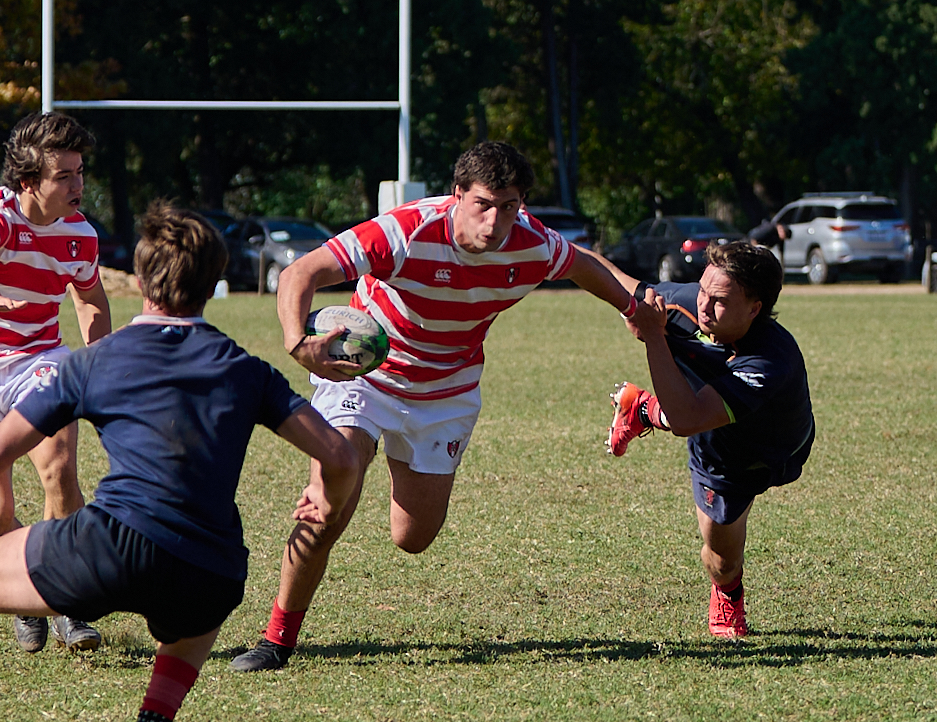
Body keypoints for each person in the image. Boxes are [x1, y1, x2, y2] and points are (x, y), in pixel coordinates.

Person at [0, 202, 357, 722]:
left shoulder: (94, 362)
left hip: (113, 546)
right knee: (196, 614)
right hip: (212, 567)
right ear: (213, 284)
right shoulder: (248, 370)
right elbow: (340, 453)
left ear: (142, 281)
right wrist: (326, 493)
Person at [230, 140, 641, 671]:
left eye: (511, 206)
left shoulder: (531, 243)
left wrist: (631, 303)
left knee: (414, 537)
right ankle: (277, 639)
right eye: (484, 204)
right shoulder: (404, 231)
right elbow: (298, 273)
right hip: (367, 376)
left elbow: (582, 264)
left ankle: (346, 475)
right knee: (332, 501)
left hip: (446, 393)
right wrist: (296, 340)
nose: (496, 221)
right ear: (457, 196)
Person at [0, 111, 112, 652]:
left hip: (39, 358)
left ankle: (70, 601)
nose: (78, 185)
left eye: (80, 172)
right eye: (65, 176)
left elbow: (91, 300)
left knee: (58, 469)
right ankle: (27, 592)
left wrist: (100, 363)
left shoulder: (80, 235)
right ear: (29, 181)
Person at [605, 241, 814, 638]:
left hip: (781, 448)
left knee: (700, 412)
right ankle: (728, 593)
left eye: (718, 300)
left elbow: (687, 416)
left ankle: (642, 408)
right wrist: (559, 251)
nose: (702, 305)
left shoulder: (771, 358)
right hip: (722, 456)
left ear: (755, 308)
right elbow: (618, 284)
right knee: (722, 560)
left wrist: (653, 336)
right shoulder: (684, 304)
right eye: (702, 290)